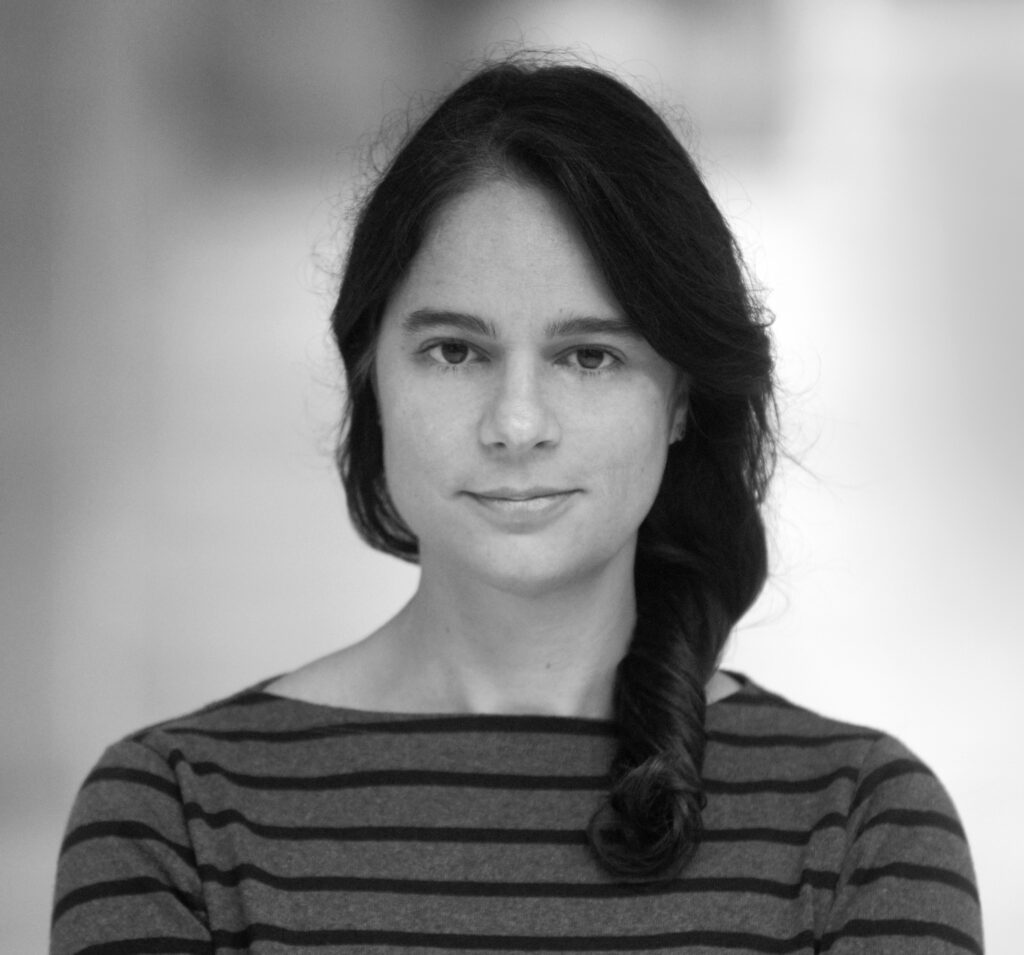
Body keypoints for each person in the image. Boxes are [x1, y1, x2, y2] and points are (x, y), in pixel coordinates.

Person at [51, 56, 983, 954]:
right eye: (456, 351)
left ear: (683, 398)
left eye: (590, 355)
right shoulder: (172, 814)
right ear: (370, 374)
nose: (516, 422)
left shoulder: (863, 824)